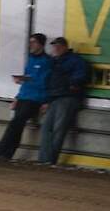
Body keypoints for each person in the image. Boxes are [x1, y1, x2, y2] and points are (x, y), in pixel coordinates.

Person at [0, 33, 50, 159]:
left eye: (33, 42)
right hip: (24, 97)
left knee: (15, 123)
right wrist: (17, 97)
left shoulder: (47, 62)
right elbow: (28, 80)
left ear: (41, 44)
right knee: (16, 125)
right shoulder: (31, 59)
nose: (30, 45)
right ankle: (6, 153)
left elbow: (44, 82)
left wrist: (45, 101)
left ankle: (2, 152)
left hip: (34, 99)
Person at [38, 36, 90, 165]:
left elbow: (81, 77)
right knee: (47, 128)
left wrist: (71, 84)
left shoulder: (75, 61)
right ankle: (46, 159)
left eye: (58, 46)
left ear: (65, 47)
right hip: (56, 97)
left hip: (67, 97)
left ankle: (49, 159)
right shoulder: (55, 61)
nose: (56, 49)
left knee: (57, 129)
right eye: (55, 46)